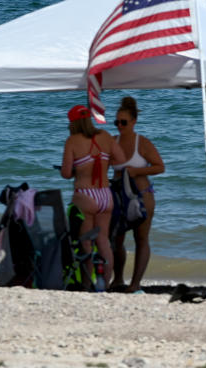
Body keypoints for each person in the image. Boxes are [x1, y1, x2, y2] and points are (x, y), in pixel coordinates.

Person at [60, 105, 126, 290]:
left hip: (86, 195)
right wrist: (104, 163)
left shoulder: (72, 141)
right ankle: (104, 284)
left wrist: (78, 168)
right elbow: (121, 161)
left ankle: (88, 283)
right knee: (103, 240)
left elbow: (66, 173)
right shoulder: (105, 136)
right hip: (105, 194)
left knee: (86, 242)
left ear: (73, 122)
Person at [110, 96, 165, 293]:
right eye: (116, 122)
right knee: (116, 239)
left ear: (134, 122)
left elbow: (160, 167)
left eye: (123, 122)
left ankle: (135, 283)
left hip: (143, 195)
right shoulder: (112, 141)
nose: (119, 125)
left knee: (141, 238)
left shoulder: (141, 142)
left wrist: (136, 171)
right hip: (118, 196)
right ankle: (117, 279)